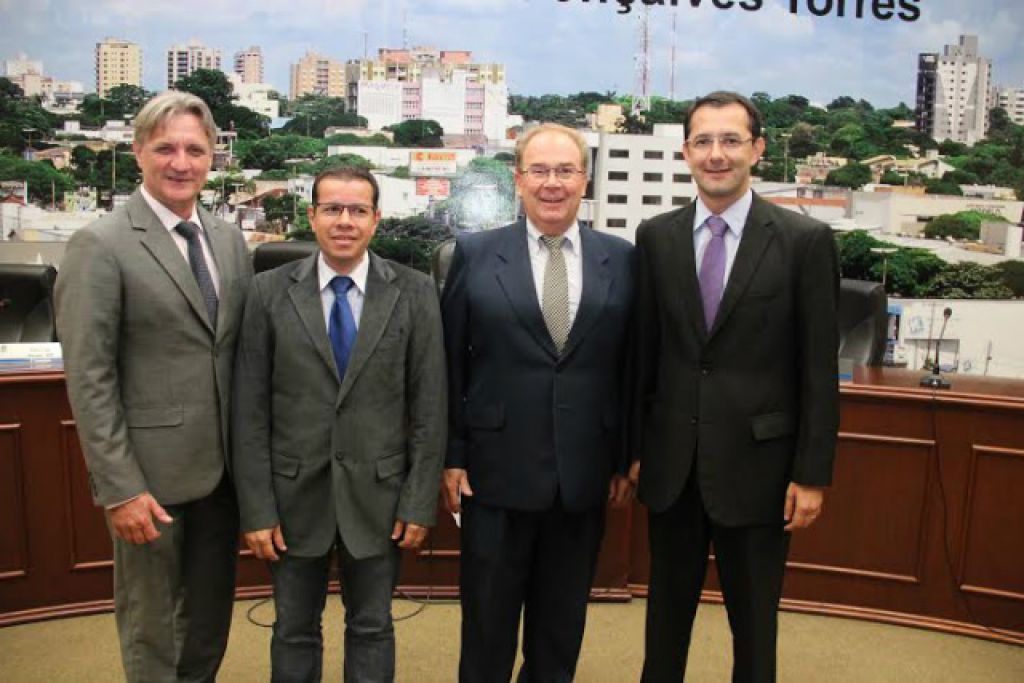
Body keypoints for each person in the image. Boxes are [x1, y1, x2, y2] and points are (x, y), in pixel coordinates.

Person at [630, 91, 840, 682]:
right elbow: (646, 355)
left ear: (757, 149)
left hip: (763, 471)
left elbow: (818, 370)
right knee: (664, 626)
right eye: (703, 141)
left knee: (754, 630)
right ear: (685, 152)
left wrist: (812, 473)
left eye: (730, 140)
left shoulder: (803, 242)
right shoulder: (657, 237)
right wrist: (635, 450)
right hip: (673, 468)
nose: (716, 154)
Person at [54, 91, 253, 682]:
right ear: (139, 151)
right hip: (149, 483)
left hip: (223, 477)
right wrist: (119, 489)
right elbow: (90, 378)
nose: (181, 162)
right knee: (152, 628)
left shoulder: (227, 240)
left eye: (195, 148)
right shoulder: (101, 244)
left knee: (209, 620)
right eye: (165, 147)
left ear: (214, 155)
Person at [231, 167, 446, 682]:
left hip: (380, 498)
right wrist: (257, 509)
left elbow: (431, 406)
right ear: (312, 216)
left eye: (357, 210)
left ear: (376, 219)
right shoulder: (266, 293)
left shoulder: (415, 293)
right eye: (332, 208)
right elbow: (249, 411)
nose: (344, 221)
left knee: (372, 626)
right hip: (290, 500)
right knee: (293, 629)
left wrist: (419, 501)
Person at [441, 123, 635, 682]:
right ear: (518, 179)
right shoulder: (474, 255)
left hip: (583, 478)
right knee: (486, 631)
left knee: (559, 633)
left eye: (566, 171)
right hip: (493, 473)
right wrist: (451, 455)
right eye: (541, 171)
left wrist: (624, 456)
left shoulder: (621, 259)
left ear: (585, 179)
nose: (554, 184)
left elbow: (630, 366)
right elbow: (452, 361)